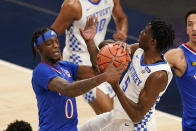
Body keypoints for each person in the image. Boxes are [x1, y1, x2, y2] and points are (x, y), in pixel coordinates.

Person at [78, 18, 175, 131]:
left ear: (153, 42)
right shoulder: (140, 49)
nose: (141, 32)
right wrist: (90, 42)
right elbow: (100, 60)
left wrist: (115, 85)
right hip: (119, 114)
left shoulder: (158, 75)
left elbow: (136, 116)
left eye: (145, 32)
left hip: (136, 126)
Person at [31, 26, 123, 131]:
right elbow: (69, 90)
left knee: (114, 117)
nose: (56, 45)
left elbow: (97, 71)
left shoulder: (65, 66)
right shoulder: (41, 71)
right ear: (38, 48)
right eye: (49, 43)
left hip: (72, 129)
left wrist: (89, 42)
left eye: (56, 41)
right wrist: (105, 76)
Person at [50, 0, 128, 114]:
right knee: (107, 112)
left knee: (116, 111)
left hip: (99, 56)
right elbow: (51, 35)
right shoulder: (73, 5)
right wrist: (57, 64)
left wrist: (122, 31)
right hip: (77, 59)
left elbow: (122, 18)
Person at [164, 9, 196, 131]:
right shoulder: (177, 55)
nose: (194, 28)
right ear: (186, 29)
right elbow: (150, 70)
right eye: (190, 24)